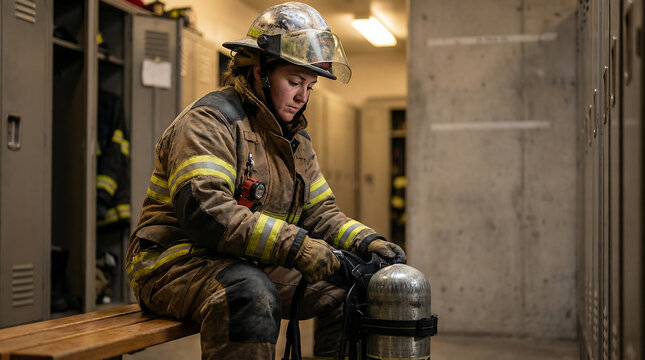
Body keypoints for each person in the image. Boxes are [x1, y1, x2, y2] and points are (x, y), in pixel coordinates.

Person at [125, 2, 406, 359]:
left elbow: (320, 212)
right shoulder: (210, 122)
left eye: (310, 86)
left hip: (239, 260)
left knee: (349, 288)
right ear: (259, 71)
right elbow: (207, 214)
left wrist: (367, 242)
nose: (303, 97)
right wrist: (295, 247)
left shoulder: (294, 140)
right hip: (173, 264)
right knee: (250, 294)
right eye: (293, 81)